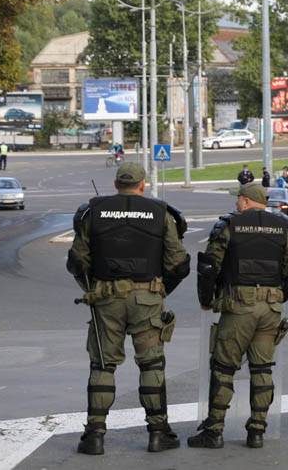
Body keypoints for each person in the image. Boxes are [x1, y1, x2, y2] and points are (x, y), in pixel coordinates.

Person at [65, 162, 191, 455]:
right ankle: (158, 433)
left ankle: (94, 435)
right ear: (142, 185)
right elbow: (179, 264)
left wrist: (93, 290)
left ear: (115, 183)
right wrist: (160, 289)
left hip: (105, 300)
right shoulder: (160, 213)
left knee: (102, 365)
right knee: (151, 364)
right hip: (147, 299)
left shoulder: (94, 211)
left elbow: (76, 262)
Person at [188, 182, 288, 450]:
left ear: (247, 201)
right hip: (271, 305)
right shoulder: (283, 227)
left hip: (239, 305)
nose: (236, 202)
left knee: (224, 367)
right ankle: (257, 431)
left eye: (239, 198)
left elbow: (210, 266)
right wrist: (280, 294)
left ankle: (214, 430)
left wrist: (207, 299)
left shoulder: (230, 225)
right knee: (262, 368)